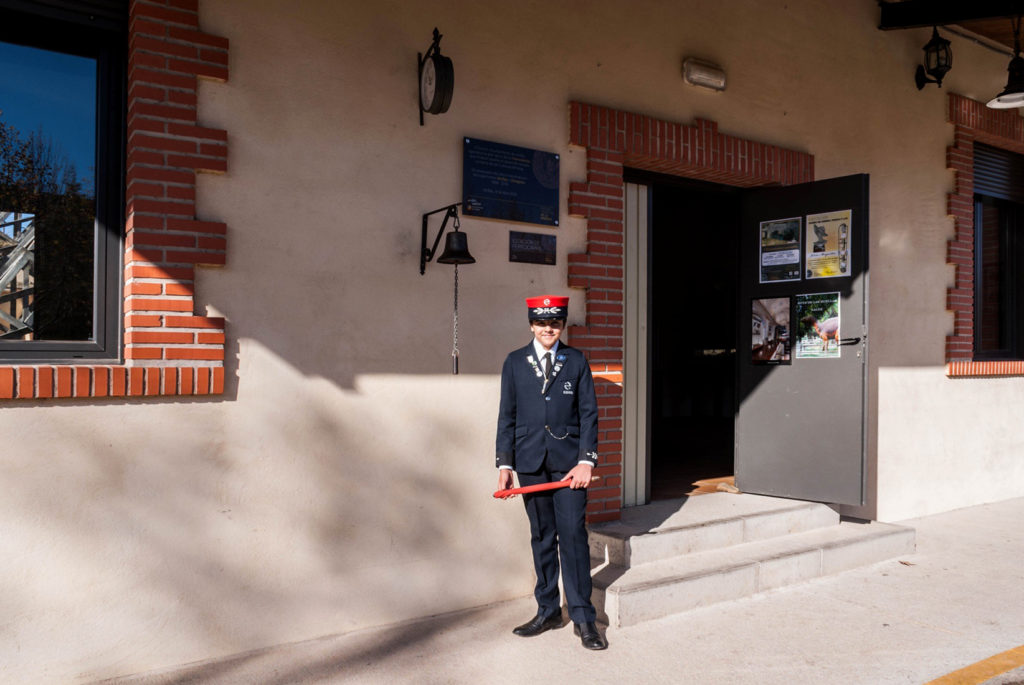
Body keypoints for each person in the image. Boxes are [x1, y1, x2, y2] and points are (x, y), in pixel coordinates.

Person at [495, 294, 607, 651]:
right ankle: (547, 611)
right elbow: (507, 416)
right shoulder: (514, 362)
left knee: (572, 536)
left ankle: (583, 617)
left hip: (569, 466)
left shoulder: (575, 360)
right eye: (542, 323)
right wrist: (505, 464)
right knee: (542, 536)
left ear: (562, 326)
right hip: (530, 464)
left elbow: (588, 413)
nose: (548, 329)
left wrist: (587, 460)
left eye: (555, 323)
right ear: (531, 325)